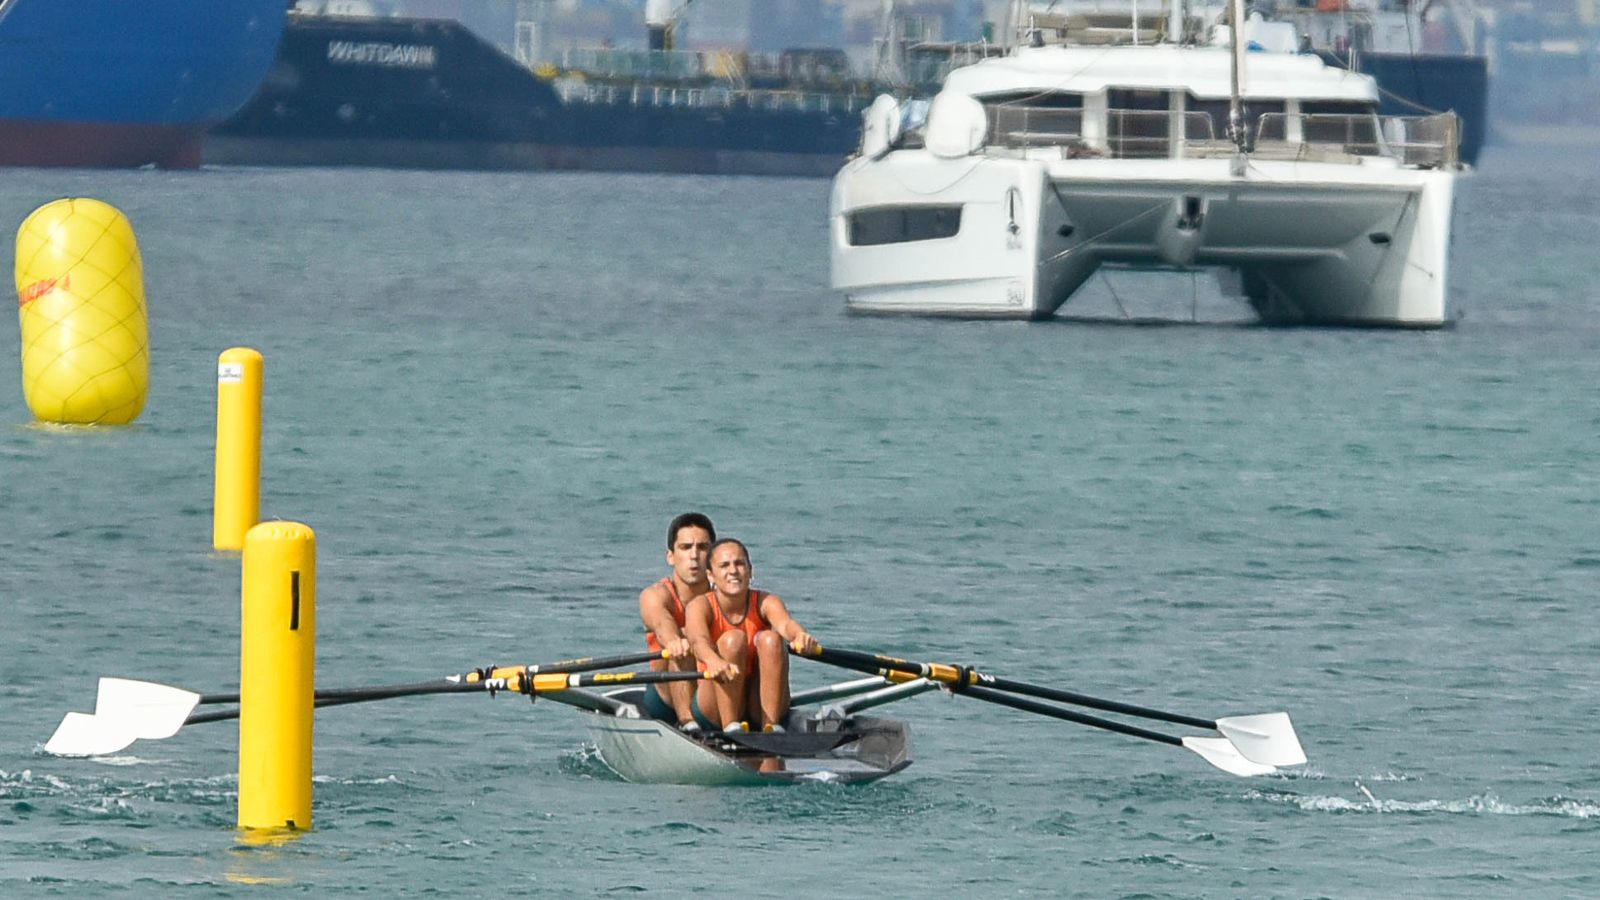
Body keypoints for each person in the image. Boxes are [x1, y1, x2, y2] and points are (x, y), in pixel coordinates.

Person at [684, 538, 818, 733]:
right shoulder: (700, 606)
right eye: (724, 565)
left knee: (771, 639)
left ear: (750, 571)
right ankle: (730, 726)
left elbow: (785, 624)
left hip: (757, 702)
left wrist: (800, 636)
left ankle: (770, 726)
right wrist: (713, 661)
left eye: (739, 564)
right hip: (713, 706)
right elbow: (698, 642)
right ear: (711, 576)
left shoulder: (766, 601)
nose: (733, 571)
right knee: (733, 639)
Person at [638, 512, 715, 730]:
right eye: (686, 547)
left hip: (712, 690)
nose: (694, 556)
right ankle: (688, 722)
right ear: (671, 556)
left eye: (702, 548)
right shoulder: (656, 595)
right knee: (684, 635)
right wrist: (673, 640)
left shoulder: (726, 595)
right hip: (665, 698)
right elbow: (662, 623)